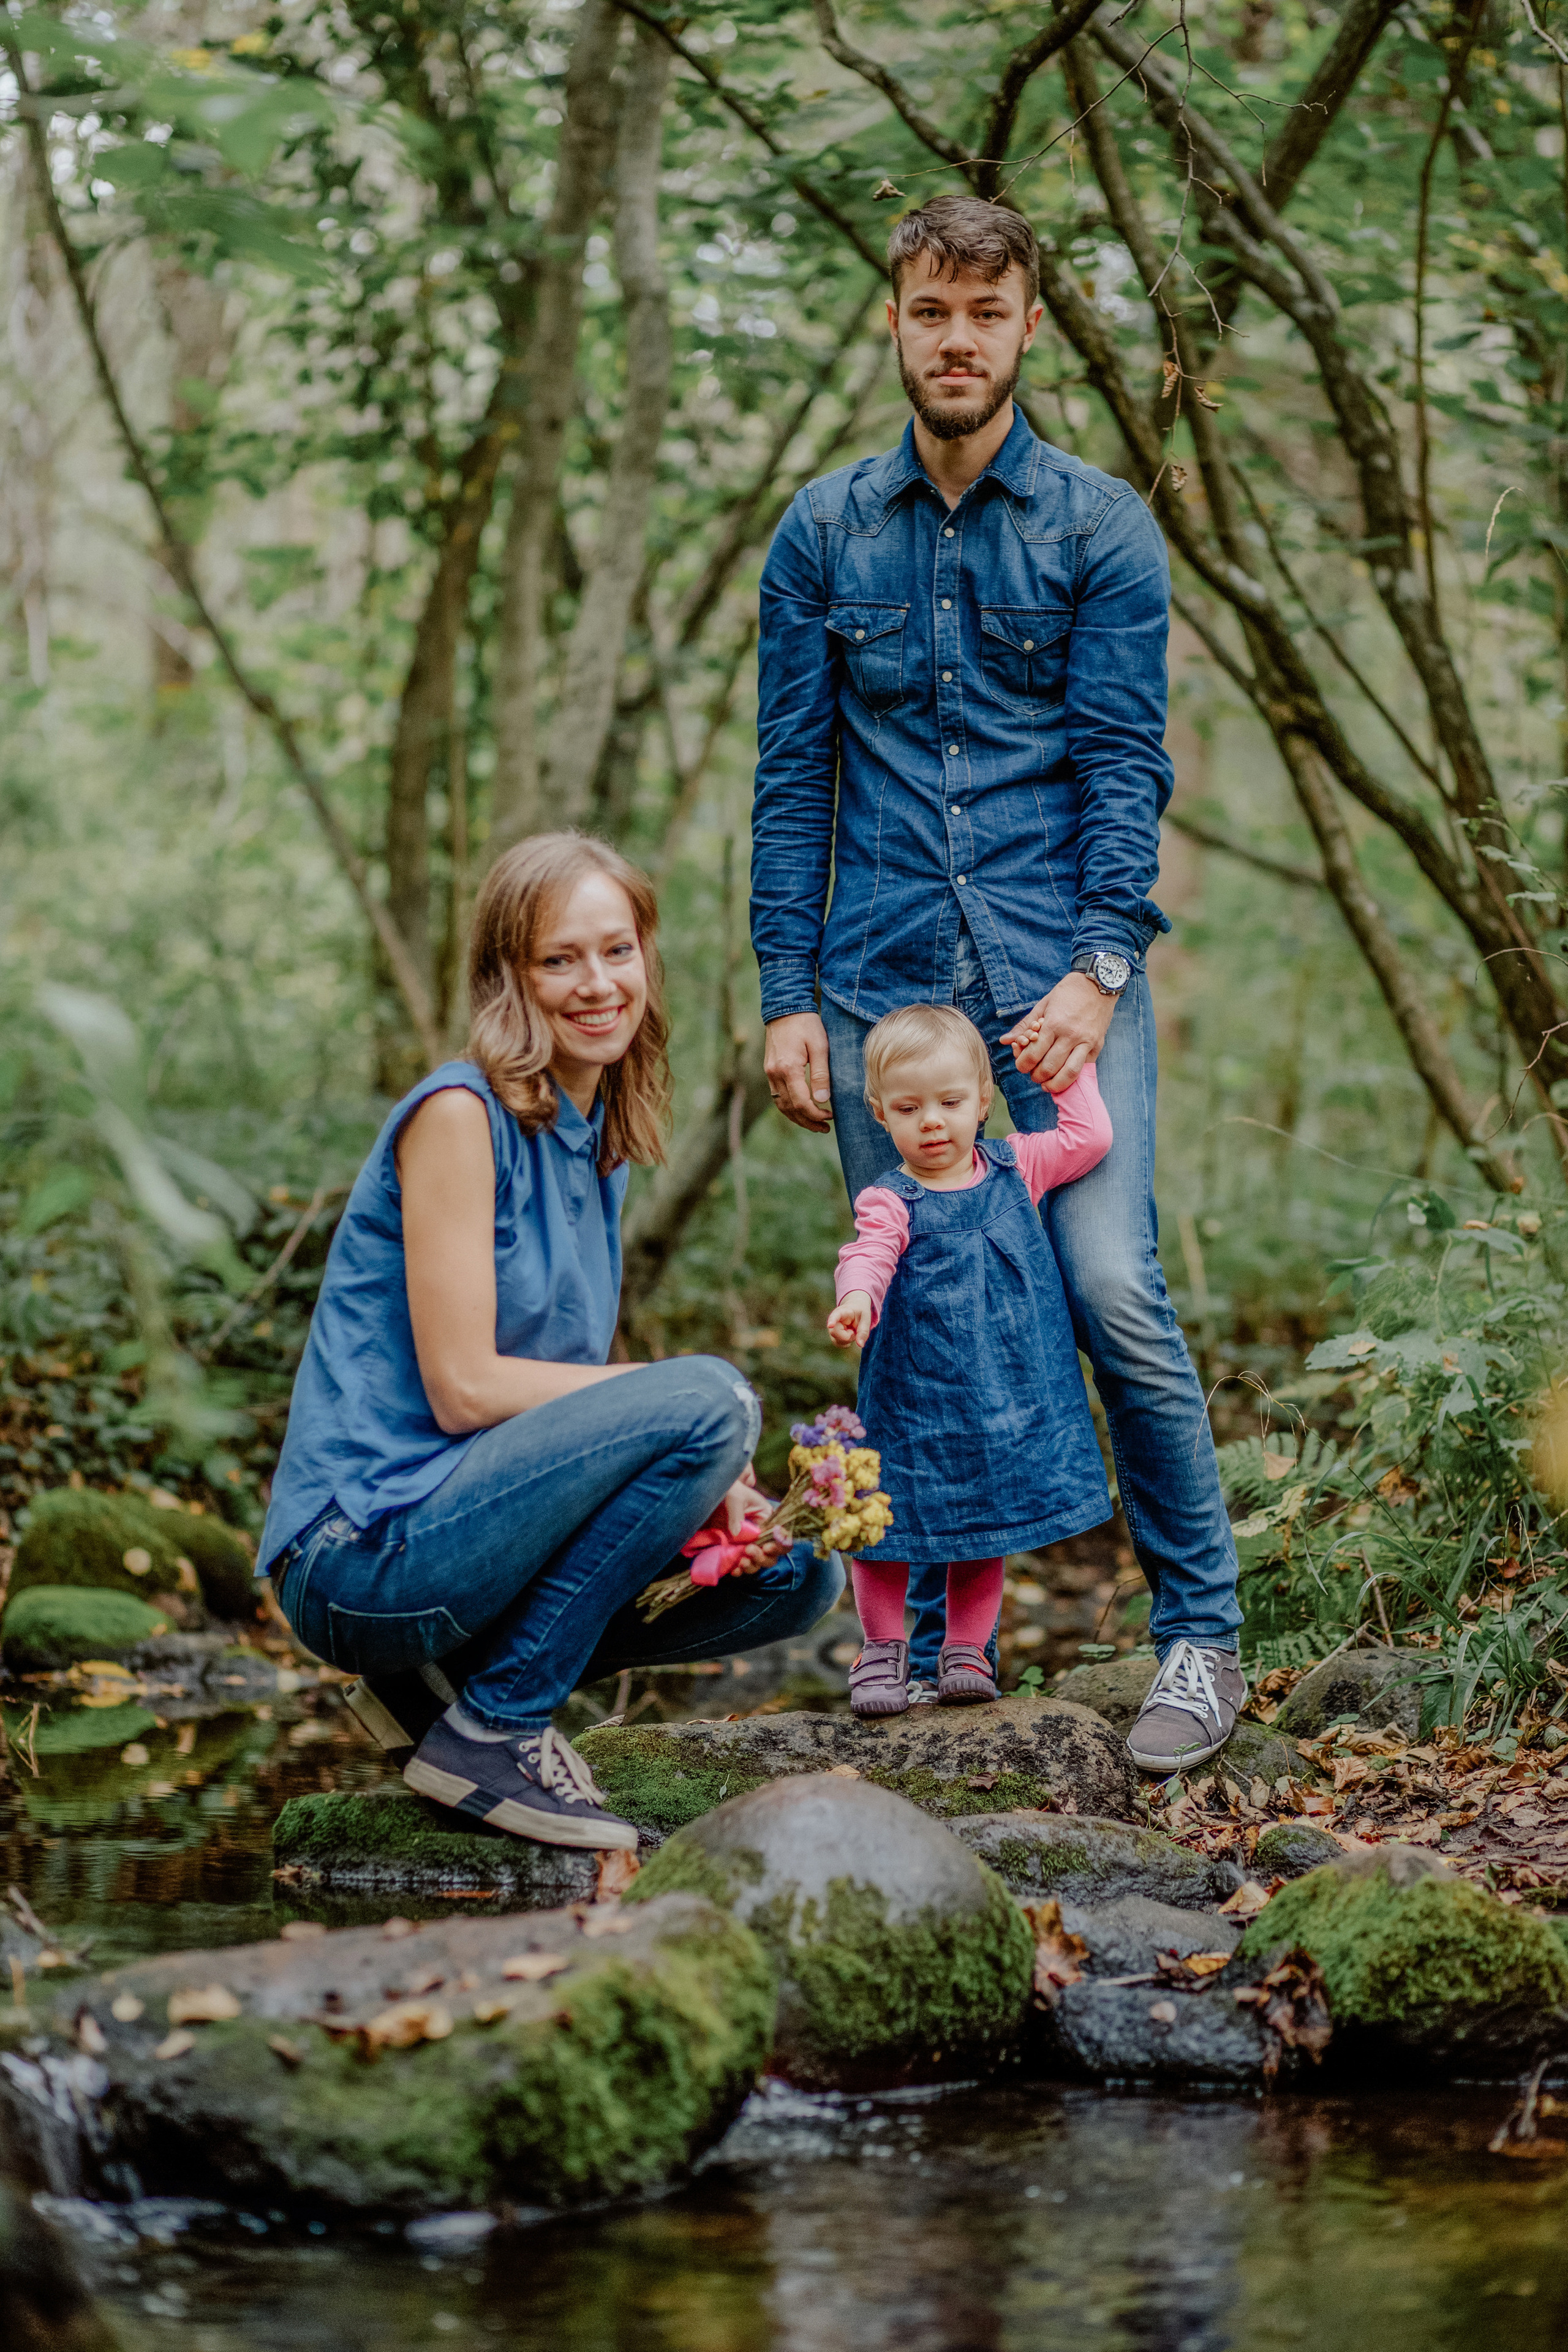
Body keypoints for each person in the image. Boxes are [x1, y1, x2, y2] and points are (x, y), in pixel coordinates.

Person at [750, 193, 1244, 1773]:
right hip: (879, 993)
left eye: (984, 312)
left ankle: (1199, 1636)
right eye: (929, 311)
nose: (954, 340)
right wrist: (782, 992)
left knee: (1109, 1291)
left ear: (1029, 326)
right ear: (893, 323)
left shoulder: (1098, 528)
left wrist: (1101, 967)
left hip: (1057, 992)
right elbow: (791, 782)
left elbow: (1123, 765)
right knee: (902, 1327)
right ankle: (909, 1660)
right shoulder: (820, 533)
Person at [258, 832, 842, 1850]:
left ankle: (434, 1692)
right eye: (559, 959)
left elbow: (567, 1417)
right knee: (715, 1398)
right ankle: (495, 1728)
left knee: (797, 1577)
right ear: (508, 976)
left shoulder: (598, 1139)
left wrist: (706, 1494)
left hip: (475, 1535)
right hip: (364, 1556)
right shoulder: (457, 1114)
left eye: (617, 950)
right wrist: (682, 1413)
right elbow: (464, 1389)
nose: (598, 983)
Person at [826, 1003, 1112, 1719]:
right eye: (909, 1108)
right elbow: (869, 1251)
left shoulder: (1019, 1167)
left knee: (987, 1520)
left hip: (1002, 1392)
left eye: (950, 1102)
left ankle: (965, 1649)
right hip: (913, 1393)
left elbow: (1089, 1137)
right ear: (880, 1114)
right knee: (883, 1520)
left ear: (983, 1101)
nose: (932, 1122)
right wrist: (856, 1296)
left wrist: (1067, 1071)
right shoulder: (890, 1198)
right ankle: (882, 1649)